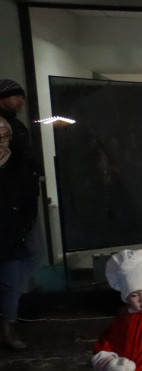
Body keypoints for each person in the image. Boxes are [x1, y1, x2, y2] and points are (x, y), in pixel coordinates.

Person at [0, 80, 41, 351]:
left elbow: (25, 194)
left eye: (5, 137)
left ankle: (8, 322)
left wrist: (24, 221)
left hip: (12, 228)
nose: (3, 142)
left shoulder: (16, 165)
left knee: (15, 272)